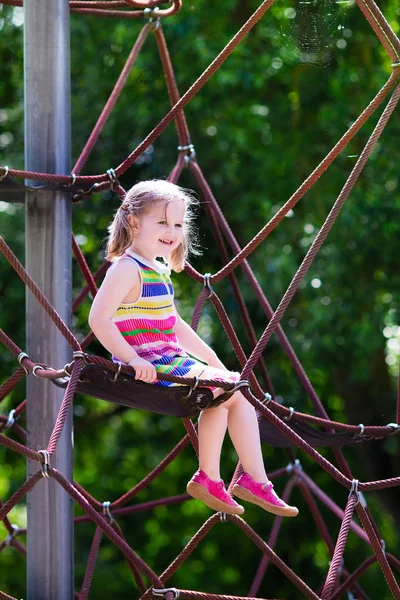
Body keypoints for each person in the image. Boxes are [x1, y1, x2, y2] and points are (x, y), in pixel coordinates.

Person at [89, 179, 298, 518]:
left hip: (171, 358)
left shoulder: (159, 269)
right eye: (162, 222)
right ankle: (227, 478)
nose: (172, 231)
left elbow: (173, 324)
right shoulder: (127, 268)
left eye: (177, 224)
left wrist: (212, 359)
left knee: (231, 390)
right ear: (133, 222)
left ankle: (238, 478)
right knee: (226, 390)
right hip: (148, 362)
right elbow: (99, 319)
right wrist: (129, 358)